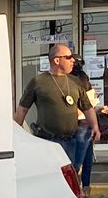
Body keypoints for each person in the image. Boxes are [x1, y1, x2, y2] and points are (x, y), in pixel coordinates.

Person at [16, 44, 99, 178]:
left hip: (70, 140)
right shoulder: (39, 81)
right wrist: (16, 133)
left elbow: (87, 108)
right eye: (69, 57)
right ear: (56, 60)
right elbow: (23, 108)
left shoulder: (75, 81)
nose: (73, 60)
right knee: (49, 176)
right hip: (47, 141)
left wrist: (95, 126)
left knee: (69, 177)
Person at [70, 55, 98, 198]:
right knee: (84, 160)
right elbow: (91, 103)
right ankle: (85, 192)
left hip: (77, 123)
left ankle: (78, 193)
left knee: (78, 161)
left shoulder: (69, 80)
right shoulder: (83, 79)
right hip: (85, 122)